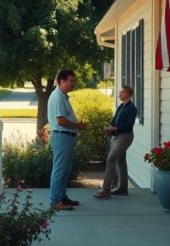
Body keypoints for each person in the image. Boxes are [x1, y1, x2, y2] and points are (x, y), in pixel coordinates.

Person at [47, 69, 86, 211]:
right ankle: (55, 201)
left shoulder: (62, 96)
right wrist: (78, 126)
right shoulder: (57, 97)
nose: (73, 84)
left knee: (64, 170)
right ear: (61, 81)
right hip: (61, 136)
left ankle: (62, 197)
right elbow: (61, 121)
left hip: (66, 137)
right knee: (59, 170)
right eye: (71, 81)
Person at [93, 85, 137, 198]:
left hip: (125, 137)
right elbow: (114, 120)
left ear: (128, 94)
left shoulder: (132, 108)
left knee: (111, 159)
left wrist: (115, 128)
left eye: (122, 92)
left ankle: (106, 190)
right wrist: (109, 128)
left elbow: (128, 125)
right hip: (115, 136)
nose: (119, 94)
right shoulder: (121, 106)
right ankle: (122, 188)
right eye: (120, 92)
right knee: (120, 161)